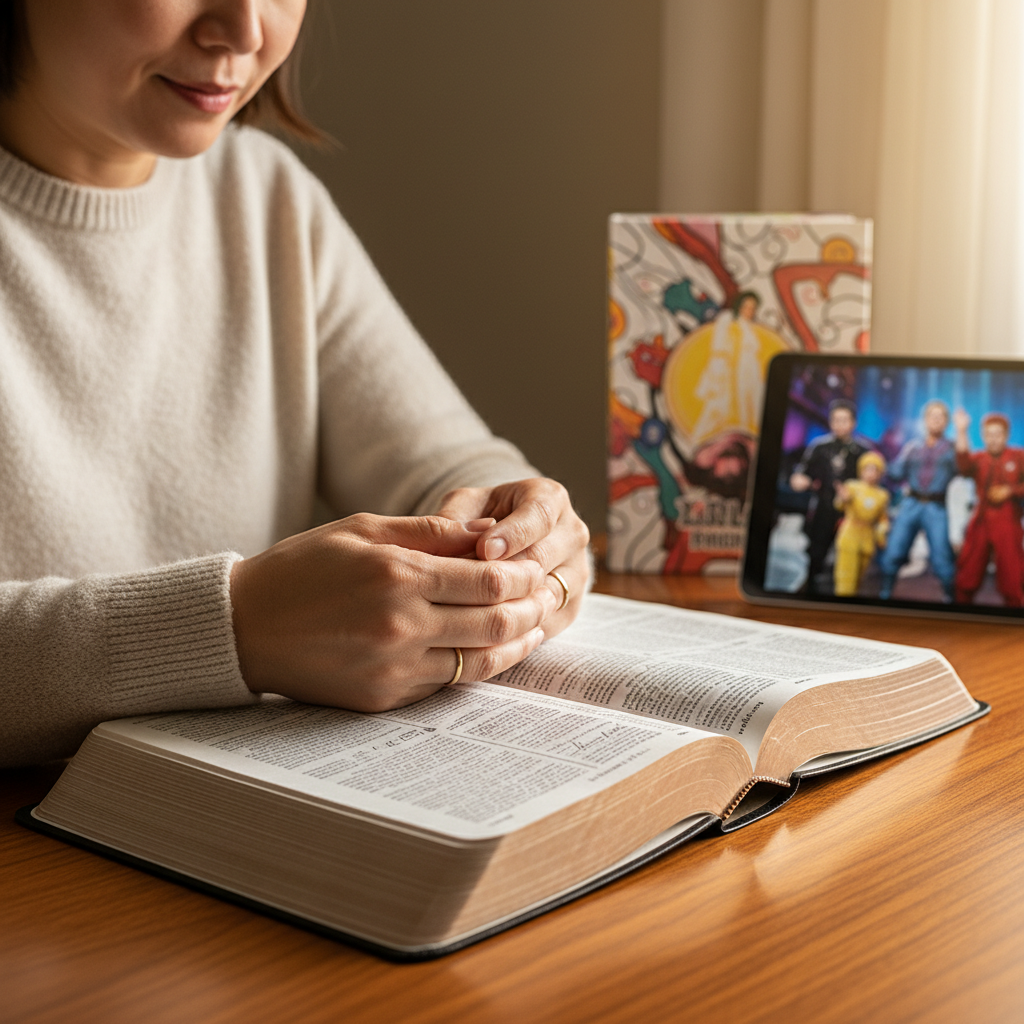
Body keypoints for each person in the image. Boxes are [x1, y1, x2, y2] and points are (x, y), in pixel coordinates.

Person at [0, 1, 590, 768]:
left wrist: (518, 530)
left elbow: (444, 461)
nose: (245, 31)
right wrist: (237, 629)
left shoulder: (263, 193)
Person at [789, 399, 872, 593]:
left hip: (851, 512)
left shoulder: (863, 450)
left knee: (849, 555)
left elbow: (873, 482)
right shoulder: (819, 447)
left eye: (844, 420)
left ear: (854, 423)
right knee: (816, 550)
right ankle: (810, 587)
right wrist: (799, 480)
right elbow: (803, 472)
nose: (840, 424)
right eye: (836, 420)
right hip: (823, 506)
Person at [878, 400, 957, 601]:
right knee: (894, 550)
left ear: (946, 422)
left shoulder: (952, 448)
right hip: (911, 504)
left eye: (940, 417)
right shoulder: (912, 447)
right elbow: (896, 473)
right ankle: (885, 593)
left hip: (937, 506)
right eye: (932, 416)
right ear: (925, 420)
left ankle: (950, 598)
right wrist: (880, 461)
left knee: (941, 558)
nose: (936, 420)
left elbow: (964, 469)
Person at [952, 410, 1024, 607]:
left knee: (1012, 575)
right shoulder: (979, 458)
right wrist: (961, 430)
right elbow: (963, 465)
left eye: (998, 435)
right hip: (981, 519)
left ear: (1006, 436)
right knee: (968, 572)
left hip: (1008, 521)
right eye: (989, 435)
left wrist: (1010, 491)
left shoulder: (1018, 456)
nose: (993, 440)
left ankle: (1015, 618)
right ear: (983, 436)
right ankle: (959, 617)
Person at [832, 451, 889, 597]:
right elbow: (838, 505)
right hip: (850, 534)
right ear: (861, 470)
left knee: (858, 579)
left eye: (875, 470)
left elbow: (882, 518)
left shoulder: (882, 494)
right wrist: (843, 498)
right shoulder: (852, 486)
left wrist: (882, 534)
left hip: (867, 538)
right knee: (846, 578)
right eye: (867, 469)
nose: (871, 473)